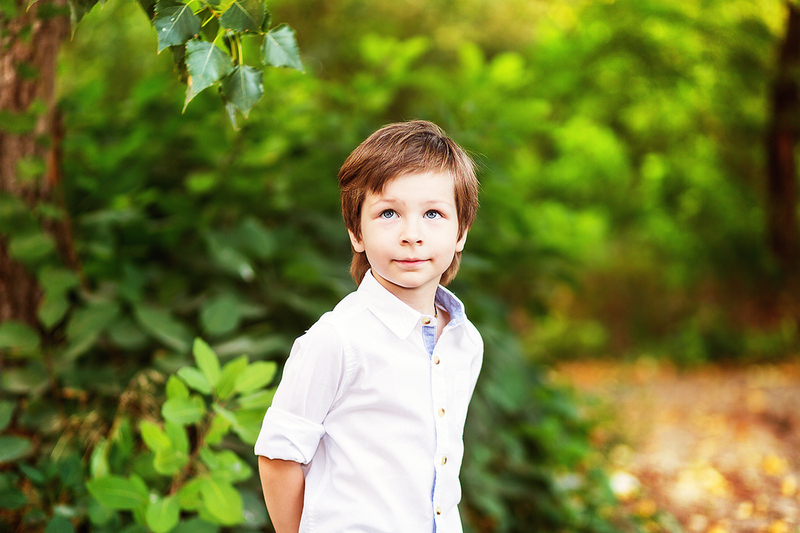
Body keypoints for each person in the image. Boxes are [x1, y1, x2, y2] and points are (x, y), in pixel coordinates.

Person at [255, 120, 483, 533]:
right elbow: (279, 456)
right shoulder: (337, 340)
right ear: (356, 232)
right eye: (388, 213)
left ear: (461, 232)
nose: (411, 235)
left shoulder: (465, 341)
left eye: (433, 213)